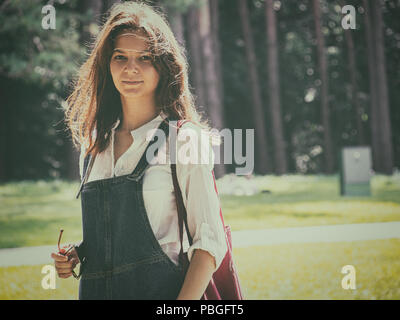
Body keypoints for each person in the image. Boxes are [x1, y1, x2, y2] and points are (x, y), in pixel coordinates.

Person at [50, 1, 227, 300]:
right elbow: (116, 234)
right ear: (108, 64)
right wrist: (79, 254)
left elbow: (209, 246)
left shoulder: (184, 141)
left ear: (164, 65)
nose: (131, 68)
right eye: (120, 57)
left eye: (145, 58)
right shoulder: (94, 146)